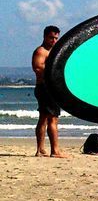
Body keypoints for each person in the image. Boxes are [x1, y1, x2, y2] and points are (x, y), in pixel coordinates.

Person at [31, 26, 66, 158]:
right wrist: (55, 69)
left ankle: (40, 149)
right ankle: (55, 151)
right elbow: (38, 67)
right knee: (51, 119)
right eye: (51, 37)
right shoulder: (41, 51)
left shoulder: (54, 52)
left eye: (56, 38)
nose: (54, 41)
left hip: (51, 88)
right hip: (45, 88)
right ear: (45, 36)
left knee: (45, 118)